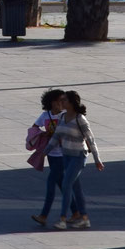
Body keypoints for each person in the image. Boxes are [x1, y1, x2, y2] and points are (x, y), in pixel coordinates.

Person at [46, 90, 104, 229]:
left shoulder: (80, 119)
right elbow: (56, 137)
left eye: (65, 100)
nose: (62, 102)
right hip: (66, 155)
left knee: (66, 184)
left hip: (78, 156)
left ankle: (62, 219)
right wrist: (44, 152)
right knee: (75, 188)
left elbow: (91, 140)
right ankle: (84, 218)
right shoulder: (63, 117)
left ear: (71, 103)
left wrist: (97, 159)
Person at [27, 89, 82, 227]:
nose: (62, 103)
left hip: (64, 154)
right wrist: (43, 134)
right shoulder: (45, 116)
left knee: (51, 183)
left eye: (63, 101)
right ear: (52, 102)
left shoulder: (66, 116)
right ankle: (76, 212)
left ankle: (44, 215)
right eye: (59, 101)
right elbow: (33, 129)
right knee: (62, 184)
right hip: (51, 154)